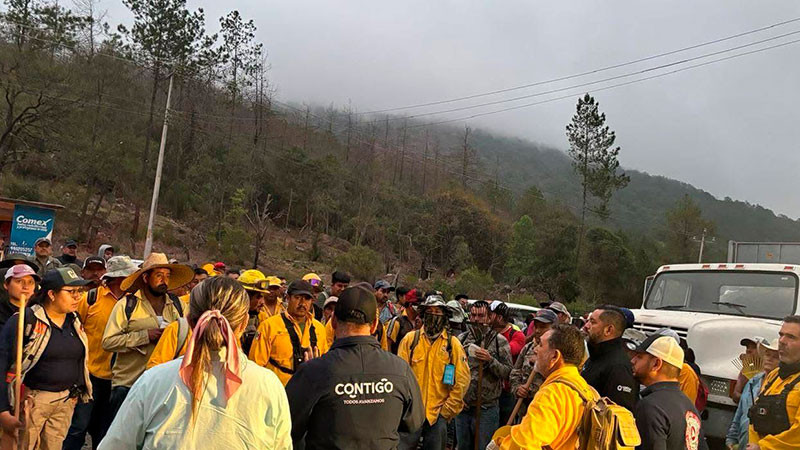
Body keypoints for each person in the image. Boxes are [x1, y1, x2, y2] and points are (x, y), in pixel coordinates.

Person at [98, 276, 291, 449]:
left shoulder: (154, 381)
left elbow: (116, 444)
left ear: (189, 321)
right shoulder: (269, 386)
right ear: (243, 324)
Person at [286, 284, 424, 449]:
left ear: (334, 321)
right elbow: (415, 423)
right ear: (373, 325)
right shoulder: (400, 370)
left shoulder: (313, 372)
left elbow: (287, 427)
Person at [0, 268, 92, 450]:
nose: (77, 297)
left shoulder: (74, 320)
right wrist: (2, 411)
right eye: (71, 292)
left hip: (65, 402)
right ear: (51, 294)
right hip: (32, 402)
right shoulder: (25, 321)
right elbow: (1, 366)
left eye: (79, 292)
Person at [101, 253, 192, 419]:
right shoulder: (127, 305)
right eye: (159, 275)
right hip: (128, 384)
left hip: (164, 386)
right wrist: (145, 336)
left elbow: (190, 336)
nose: (164, 280)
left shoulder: (179, 306)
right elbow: (108, 342)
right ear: (145, 278)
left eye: (167, 276)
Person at [63, 256, 139, 450]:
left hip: (119, 379)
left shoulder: (135, 302)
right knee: (78, 427)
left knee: (105, 431)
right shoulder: (91, 298)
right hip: (89, 374)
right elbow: (71, 330)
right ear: (116, 279)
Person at [489, 324, 595, 449]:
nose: (535, 349)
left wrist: (500, 443)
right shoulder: (586, 390)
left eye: (540, 345)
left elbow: (525, 445)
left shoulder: (551, 395)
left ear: (555, 356)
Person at [398, 296, 470, 450]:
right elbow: (399, 376)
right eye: (429, 311)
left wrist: (447, 411)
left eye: (437, 311)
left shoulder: (453, 345)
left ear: (444, 316)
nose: (433, 315)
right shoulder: (410, 340)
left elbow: (462, 380)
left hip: (438, 414)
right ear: (423, 314)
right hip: (410, 413)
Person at [631, 334, 708, 450]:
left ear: (656, 364)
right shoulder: (689, 406)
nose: (632, 360)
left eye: (639, 357)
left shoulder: (651, 406)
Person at [248, 280, 329, 386]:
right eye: (297, 297)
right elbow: (256, 366)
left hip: (308, 392)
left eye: (307, 298)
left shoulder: (319, 328)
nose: (302, 303)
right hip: (277, 391)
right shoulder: (269, 326)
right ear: (288, 298)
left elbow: (325, 365)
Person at [456, 300, 511, 450]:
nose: (476, 319)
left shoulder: (500, 341)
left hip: (487, 408)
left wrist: (490, 360)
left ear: (489, 317)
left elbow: (507, 372)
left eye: (481, 316)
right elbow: (451, 369)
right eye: (473, 315)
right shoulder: (461, 340)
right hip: (463, 407)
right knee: (462, 446)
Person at [747, 316, 800, 449]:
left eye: (791, 337)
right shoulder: (773, 375)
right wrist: (754, 444)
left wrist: (763, 447)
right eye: (781, 335)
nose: (782, 341)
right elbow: (755, 415)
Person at [581, 306, 639, 411]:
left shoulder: (619, 367)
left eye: (593, 322)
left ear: (608, 330)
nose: (586, 326)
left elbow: (619, 418)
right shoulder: (595, 356)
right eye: (587, 321)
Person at [727, 338, 779, 450]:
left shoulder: (782, 387)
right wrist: (731, 438)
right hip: (743, 444)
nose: (769, 358)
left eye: (775, 357)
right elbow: (740, 412)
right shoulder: (753, 382)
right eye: (768, 354)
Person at [509, 309, 558, 421]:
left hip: (544, 413)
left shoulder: (558, 354)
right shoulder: (528, 348)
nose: (537, 331)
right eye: (536, 326)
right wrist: (517, 388)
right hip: (523, 411)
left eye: (543, 327)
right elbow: (514, 373)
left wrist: (542, 363)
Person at [490, 302, 526, 426]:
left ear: (499, 317)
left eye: (490, 314)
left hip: (506, 391)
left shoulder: (516, 335)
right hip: (488, 392)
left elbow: (508, 351)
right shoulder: (487, 333)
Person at [0, 263, 39, 330]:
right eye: (19, 281)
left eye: (30, 282)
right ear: (6, 285)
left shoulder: (39, 312)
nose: (26, 287)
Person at [387, 289, 420, 354]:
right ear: (411, 305)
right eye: (419, 305)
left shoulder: (420, 321)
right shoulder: (397, 321)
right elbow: (388, 344)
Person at [733, 337, 762, 403]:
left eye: (754, 347)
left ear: (763, 351)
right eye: (747, 347)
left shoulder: (770, 371)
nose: (748, 350)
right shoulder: (746, 370)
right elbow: (735, 396)